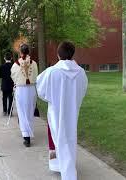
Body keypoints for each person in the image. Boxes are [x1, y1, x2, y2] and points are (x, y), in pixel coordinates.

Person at [36, 41, 88, 180]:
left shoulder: (52, 71)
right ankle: (63, 166)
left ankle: (69, 174)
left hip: (56, 111)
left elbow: (40, 90)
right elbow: (83, 90)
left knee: (59, 139)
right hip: (72, 111)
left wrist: (52, 97)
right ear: (72, 54)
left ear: (58, 55)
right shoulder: (81, 72)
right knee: (69, 139)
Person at [11, 44, 38, 147]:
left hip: (21, 90)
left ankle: (26, 137)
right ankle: (29, 133)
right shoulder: (34, 63)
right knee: (30, 112)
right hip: (31, 89)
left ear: (20, 52)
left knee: (22, 113)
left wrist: (17, 82)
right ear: (29, 52)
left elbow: (13, 76)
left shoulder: (15, 64)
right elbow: (36, 75)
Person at [0, 52, 14, 116]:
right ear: (11, 58)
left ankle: (4, 111)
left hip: (4, 84)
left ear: (4, 58)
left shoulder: (2, 66)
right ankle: (10, 111)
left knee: (4, 97)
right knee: (11, 98)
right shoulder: (14, 66)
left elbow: (0, 76)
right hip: (11, 85)